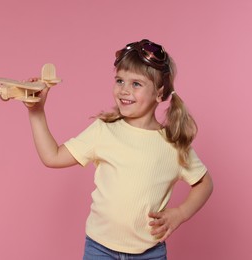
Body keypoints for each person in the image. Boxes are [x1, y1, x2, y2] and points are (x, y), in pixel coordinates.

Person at [25, 39, 213, 260]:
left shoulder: (172, 143)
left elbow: (204, 183)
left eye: (136, 84)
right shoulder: (104, 130)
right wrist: (36, 112)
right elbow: (52, 156)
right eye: (120, 80)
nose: (124, 90)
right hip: (100, 249)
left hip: (149, 253)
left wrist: (180, 214)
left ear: (160, 93)